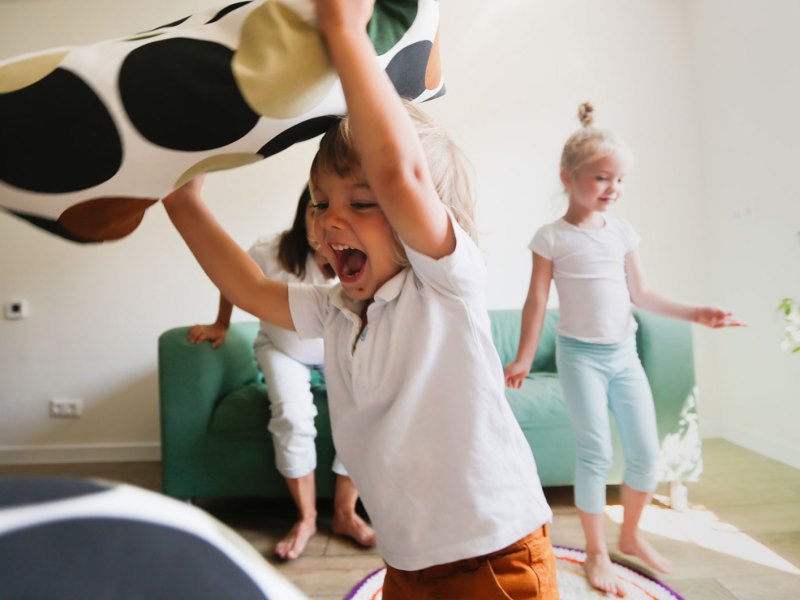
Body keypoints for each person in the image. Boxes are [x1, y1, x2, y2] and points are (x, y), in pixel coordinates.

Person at [162, 0, 558, 597]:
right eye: (320, 202)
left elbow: (401, 173)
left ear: (418, 213)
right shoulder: (335, 309)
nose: (329, 221)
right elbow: (244, 286)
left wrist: (345, 32)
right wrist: (183, 203)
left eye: (363, 203)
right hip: (407, 557)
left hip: (494, 554)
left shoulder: (444, 286)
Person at [504, 102, 744, 597]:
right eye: (601, 178)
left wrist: (696, 311)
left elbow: (643, 294)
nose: (613, 188)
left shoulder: (623, 233)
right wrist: (525, 356)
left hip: (624, 355)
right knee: (595, 453)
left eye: (620, 180)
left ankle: (631, 535)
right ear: (568, 177)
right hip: (580, 357)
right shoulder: (551, 238)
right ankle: (595, 551)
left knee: (646, 455)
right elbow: (535, 301)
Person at [187, 187, 375, 561]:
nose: (324, 220)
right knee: (292, 415)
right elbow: (233, 279)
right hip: (281, 347)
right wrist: (221, 324)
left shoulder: (357, 254)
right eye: (316, 209)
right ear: (303, 213)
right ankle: (305, 518)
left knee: (363, 412)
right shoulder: (270, 250)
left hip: (335, 350)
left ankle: (344, 512)